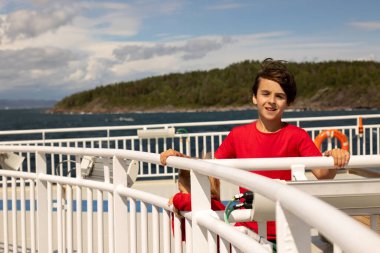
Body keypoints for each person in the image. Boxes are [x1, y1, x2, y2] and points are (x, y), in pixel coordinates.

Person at [161, 58, 350, 241]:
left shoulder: (297, 135)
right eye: (265, 94)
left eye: (280, 96)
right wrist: (181, 159)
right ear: (254, 97)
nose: (271, 101)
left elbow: (323, 174)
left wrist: (333, 156)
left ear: (288, 102)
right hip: (248, 226)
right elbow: (210, 169)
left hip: (287, 227)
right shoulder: (238, 135)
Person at [168, 169, 225, 241]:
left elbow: (179, 236)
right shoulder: (216, 205)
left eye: (181, 191)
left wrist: (176, 199)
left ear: (195, 189)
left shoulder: (211, 205)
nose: (180, 194)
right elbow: (179, 235)